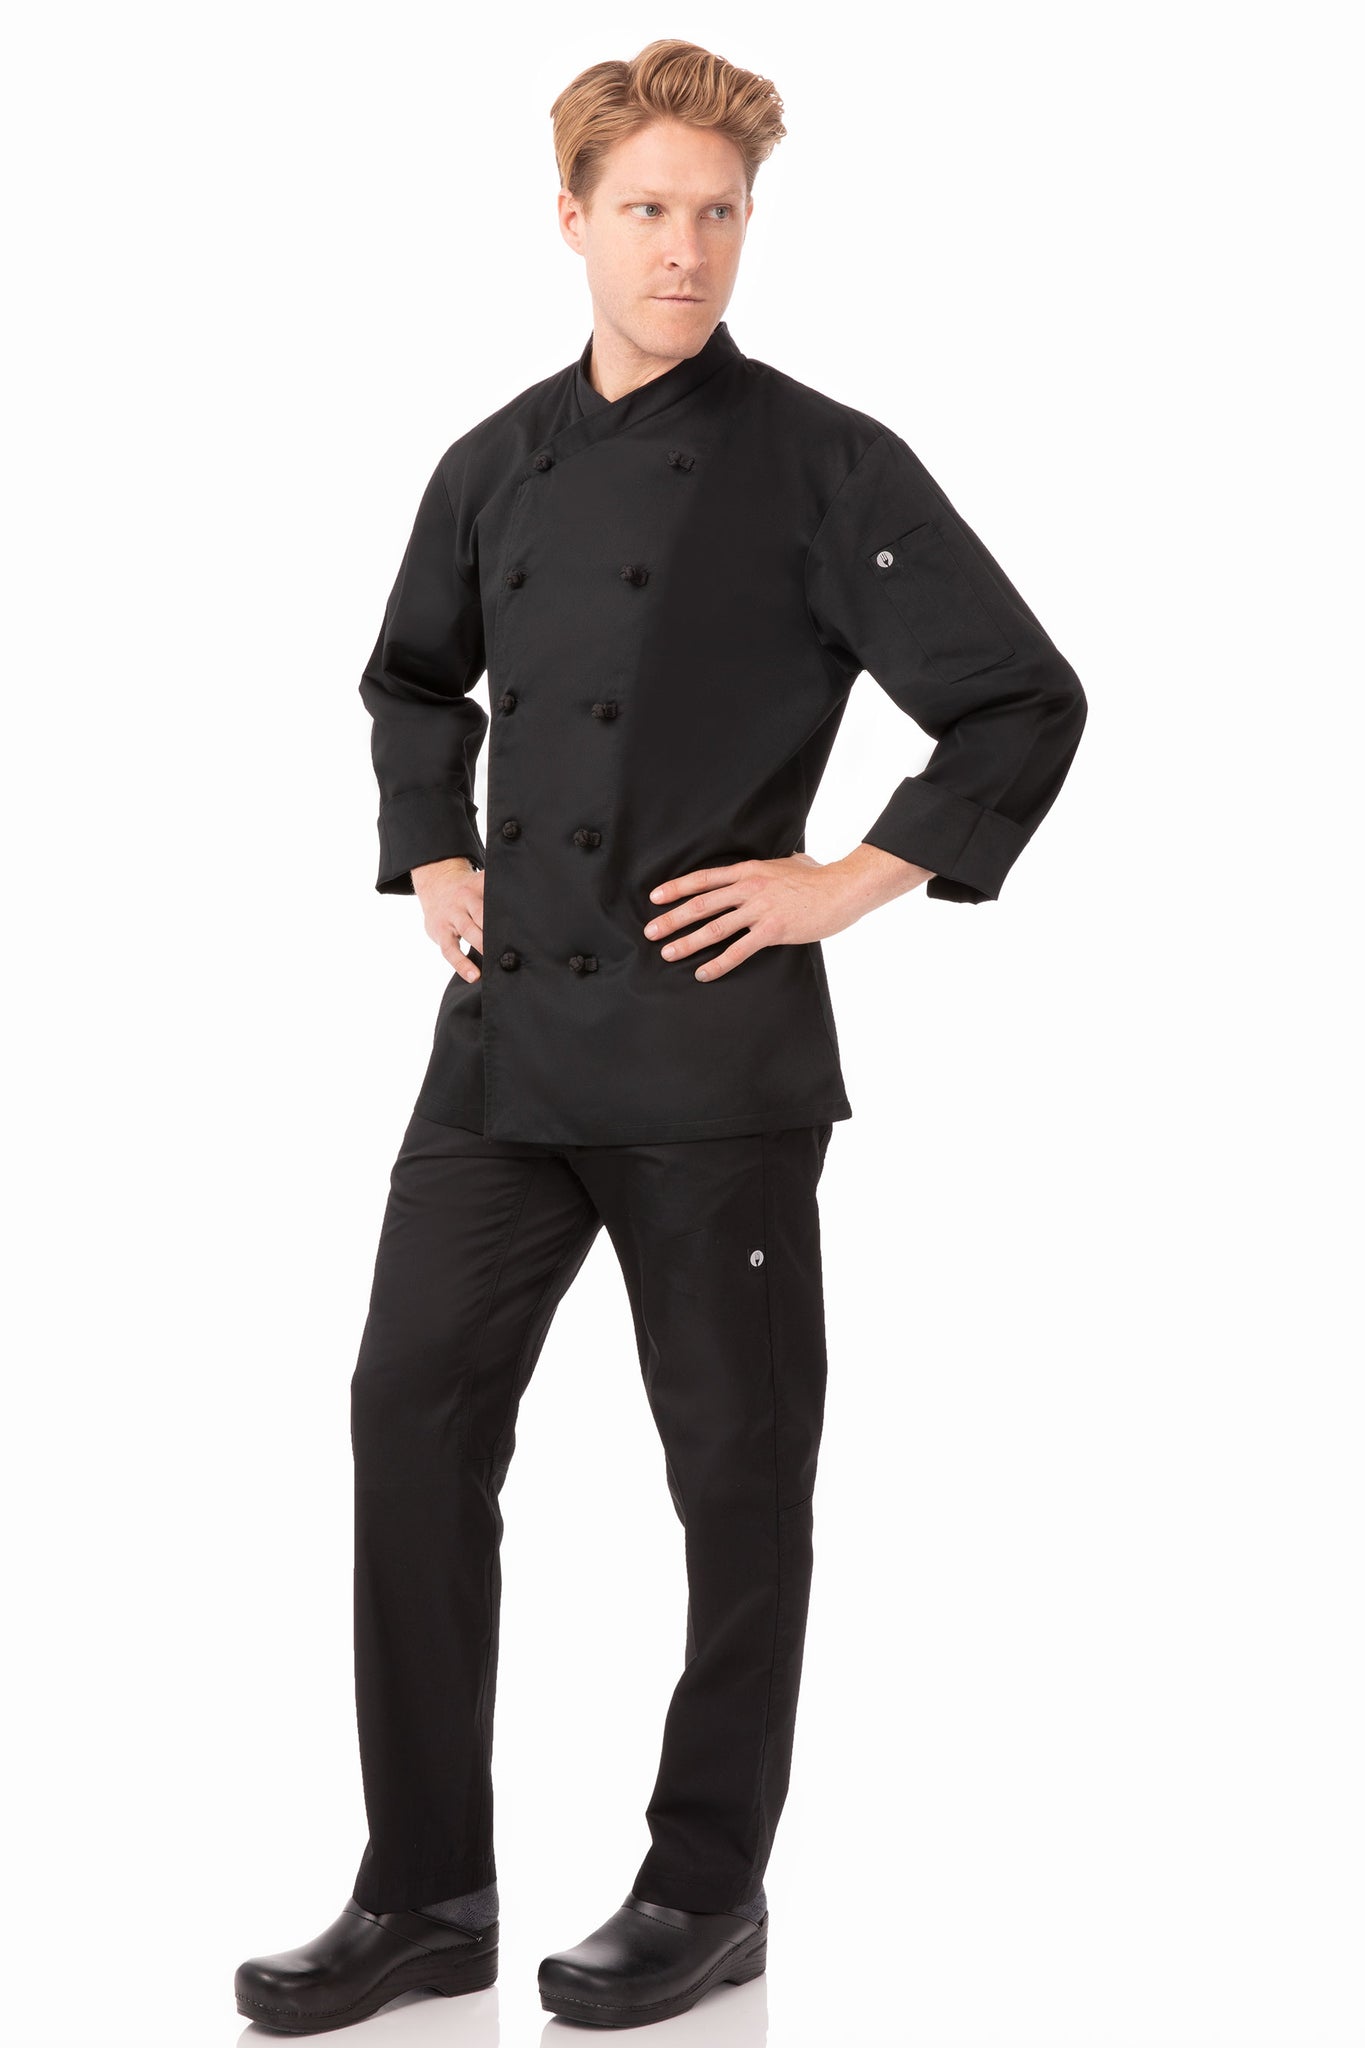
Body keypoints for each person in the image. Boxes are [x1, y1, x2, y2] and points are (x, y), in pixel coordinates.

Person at [234, 36, 1087, 2035]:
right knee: (406, 1422)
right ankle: (422, 1891)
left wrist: (850, 878)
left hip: (713, 1063)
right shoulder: (494, 460)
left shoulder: (824, 463)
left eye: (718, 212)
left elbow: (1017, 696)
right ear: (571, 219)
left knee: (734, 1479)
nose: (685, 248)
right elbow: (413, 679)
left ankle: (704, 1891)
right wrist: (431, 846)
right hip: (500, 1043)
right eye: (646, 210)